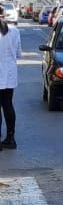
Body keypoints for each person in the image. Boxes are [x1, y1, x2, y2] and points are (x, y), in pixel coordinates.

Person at [0, 15, 22, 150]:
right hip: (9, 74)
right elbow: (19, 53)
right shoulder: (14, 30)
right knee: (8, 105)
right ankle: (10, 138)